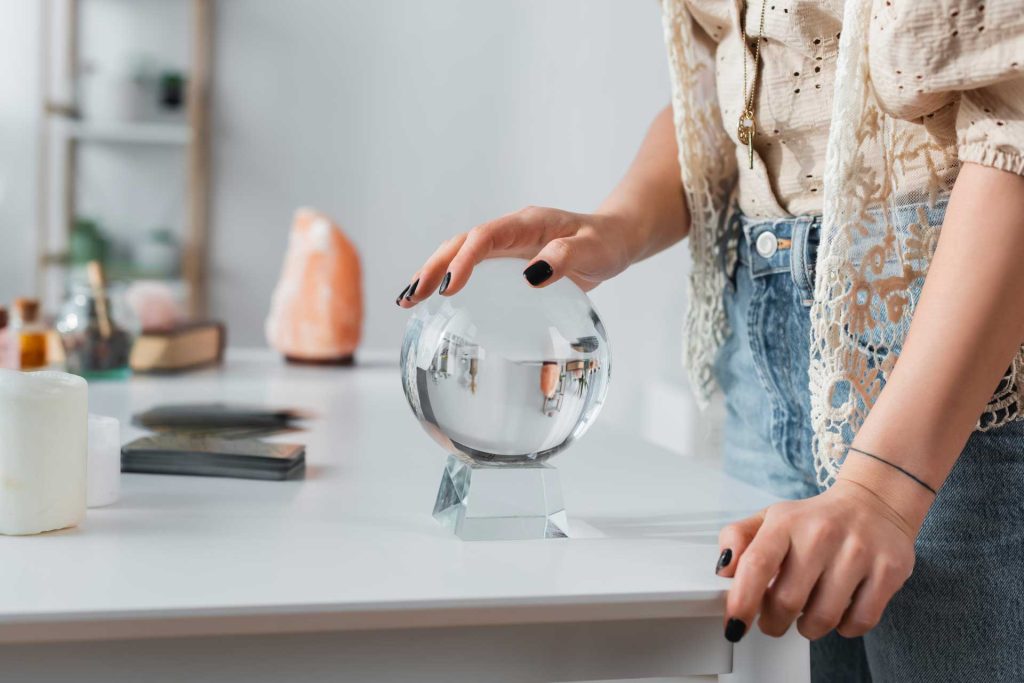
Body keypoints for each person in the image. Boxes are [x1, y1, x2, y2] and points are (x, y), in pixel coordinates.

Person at [399, 2, 1024, 680]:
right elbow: (735, 88)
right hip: (763, 341)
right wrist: (617, 225)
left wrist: (883, 488)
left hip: (956, 361)